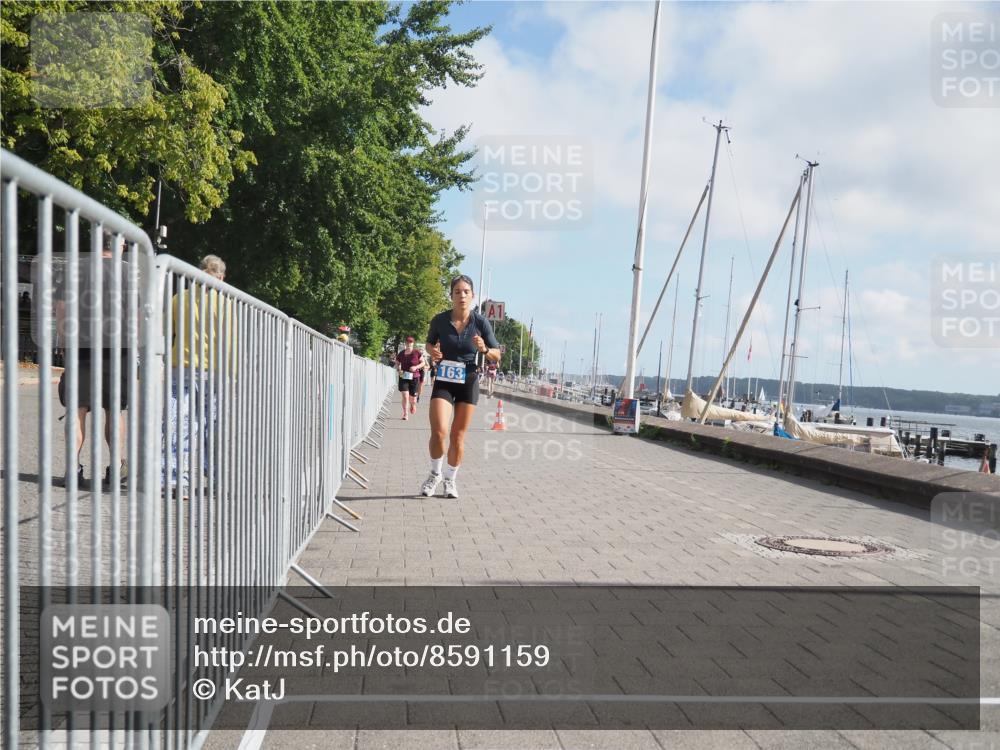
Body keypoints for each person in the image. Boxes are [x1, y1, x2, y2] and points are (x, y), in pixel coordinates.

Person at [55, 236, 132, 488]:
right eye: (123, 244)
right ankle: (116, 468)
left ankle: (71, 469)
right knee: (114, 409)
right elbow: (137, 314)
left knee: (76, 409)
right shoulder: (127, 273)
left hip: (81, 344)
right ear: (117, 245)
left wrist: (65, 342)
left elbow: (62, 308)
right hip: (117, 346)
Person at [419, 275, 501, 498]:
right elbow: (429, 342)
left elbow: (497, 354)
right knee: (439, 432)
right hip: (444, 378)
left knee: (457, 436)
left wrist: (484, 349)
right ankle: (435, 474)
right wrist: (431, 351)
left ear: (472, 296)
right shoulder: (439, 320)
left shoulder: (480, 322)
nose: (462, 295)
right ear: (451, 295)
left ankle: (450, 480)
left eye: (466, 291)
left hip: (468, 379)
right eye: (457, 291)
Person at [164, 254, 232, 497]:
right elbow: (230, 341)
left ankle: (175, 478)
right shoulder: (226, 303)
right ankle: (214, 478)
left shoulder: (178, 299)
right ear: (221, 277)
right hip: (214, 370)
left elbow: (168, 330)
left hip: (180, 367)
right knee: (212, 426)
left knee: (177, 423)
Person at [395, 336, 423, 420]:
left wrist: (416, 367)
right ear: (405, 343)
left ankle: (413, 404)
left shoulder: (417, 352)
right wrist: (398, 368)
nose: (409, 344)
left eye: (410, 342)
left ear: (413, 343)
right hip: (403, 376)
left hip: (414, 377)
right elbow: (397, 363)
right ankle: (405, 414)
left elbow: (423, 363)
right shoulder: (401, 353)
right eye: (407, 342)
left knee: (413, 399)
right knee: (405, 395)